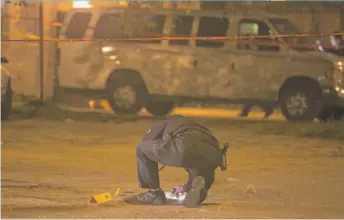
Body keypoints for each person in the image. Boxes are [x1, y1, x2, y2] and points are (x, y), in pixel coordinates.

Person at [126, 115, 228, 208]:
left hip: (185, 146)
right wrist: (184, 187)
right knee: (199, 179)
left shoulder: (164, 123)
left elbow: (146, 142)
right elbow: (196, 153)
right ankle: (195, 191)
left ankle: (154, 193)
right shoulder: (194, 125)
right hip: (214, 154)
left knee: (141, 149)